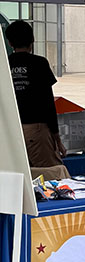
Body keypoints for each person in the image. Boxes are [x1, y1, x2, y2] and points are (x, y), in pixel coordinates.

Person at [6, 20, 67, 168]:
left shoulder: (5, 64)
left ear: (9, 42)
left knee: (19, 174)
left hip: (11, 132)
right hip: (37, 130)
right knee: (51, 174)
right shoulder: (39, 63)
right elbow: (48, 103)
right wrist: (57, 139)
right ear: (32, 40)